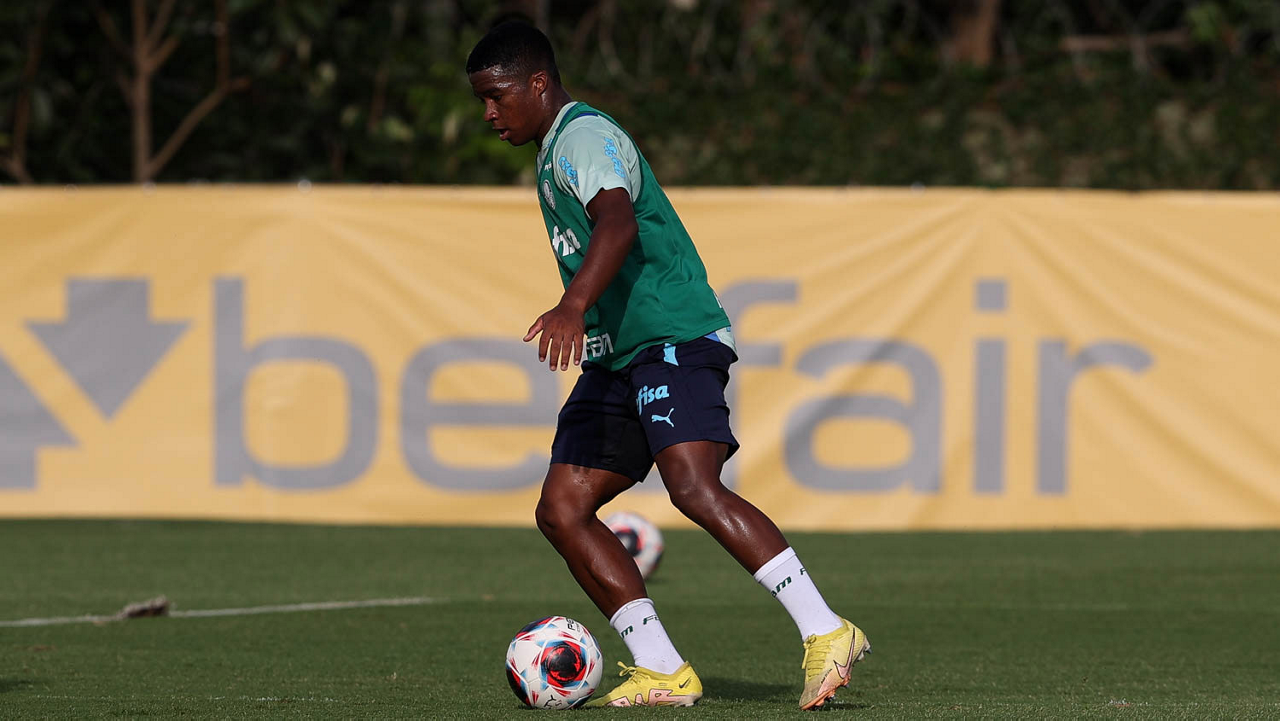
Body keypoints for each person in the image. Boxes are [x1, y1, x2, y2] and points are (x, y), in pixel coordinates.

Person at [465, 21, 870, 710]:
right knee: (563, 509)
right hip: (619, 356)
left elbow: (618, 222)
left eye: (497, 95)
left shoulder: (582, 136)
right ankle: (661, 668)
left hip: (671, 336)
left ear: (537, 83)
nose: (488, 112)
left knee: (693, 487)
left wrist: (572, 303)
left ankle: (826, 629)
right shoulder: (552, 149)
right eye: (481, 99)